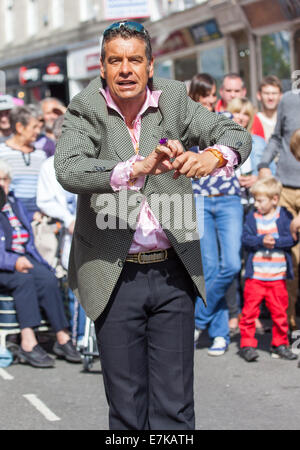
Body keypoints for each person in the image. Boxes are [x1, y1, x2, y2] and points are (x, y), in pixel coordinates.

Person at [55, 21, 251, 430]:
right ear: (103, 69)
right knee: (127, 411)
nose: (125, 69)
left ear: (150, 65)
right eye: (115, 61)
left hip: (171, 272)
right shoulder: (84, 106)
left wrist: (213, 155)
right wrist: (134, 168)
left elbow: (231, 131)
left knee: (175, 409)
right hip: (113, 272)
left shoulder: (175, 98)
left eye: (134, 60)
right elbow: (69, 168)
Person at [0, 159, 81, 368]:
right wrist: (13, 261)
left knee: (47, 278)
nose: (2, 184)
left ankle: (62, 337)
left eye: (4, 179)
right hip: (7, 263)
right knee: (23, 280)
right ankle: (28, 341)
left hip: (22, 257)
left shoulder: (13, 202)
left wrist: (36, 261)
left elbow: (26, 238)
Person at [188, 74, 244, 350]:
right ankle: (220, 333)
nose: (211, 100)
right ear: (195, 97)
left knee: (232, 265)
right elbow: (162, 142)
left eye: (213, 95)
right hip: (200, 199)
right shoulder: (185, 124)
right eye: (205, 95)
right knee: (209, 268)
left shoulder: (226, 118)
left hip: (229, 199)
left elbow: (241, 141)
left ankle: (199, 319)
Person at [37, 115, 86, 346]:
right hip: (68, 230)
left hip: (93, 227)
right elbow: (45, 200)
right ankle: (78, 337)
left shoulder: (87, 160)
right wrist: (67, 218)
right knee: (74, 281)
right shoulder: (49, 166)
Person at [239, 177, 297, 362]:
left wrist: (277, 242)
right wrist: (260, 241)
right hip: (256, 276)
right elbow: (245, 239)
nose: (256, 204)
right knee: (249, 312)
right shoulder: (252, 217)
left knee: (280, 312)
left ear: (274, 199)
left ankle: (280, 343)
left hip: (277, 277)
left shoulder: (284, 216)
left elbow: (293, 239)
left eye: (260, 200)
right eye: (255, 200)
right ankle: (247, 344)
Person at [258, 90, 300, 331]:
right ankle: (287, 326)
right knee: (288, 260)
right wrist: (264, 164)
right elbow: (276, 138)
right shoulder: (289, 99)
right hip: (284, 187)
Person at [0, 105, 47, 217]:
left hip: (38, 216)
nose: (38, 131)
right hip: (11, 215)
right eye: (34, 127)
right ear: (20, 127)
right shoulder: (2, 153)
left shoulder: (41, 155)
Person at [252, 76, 282, 142]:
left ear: (280, 96)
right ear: (259, 95)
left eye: (274, 93)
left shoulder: (285, 120)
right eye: (266, 93)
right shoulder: (253, 121)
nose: (270, 97)